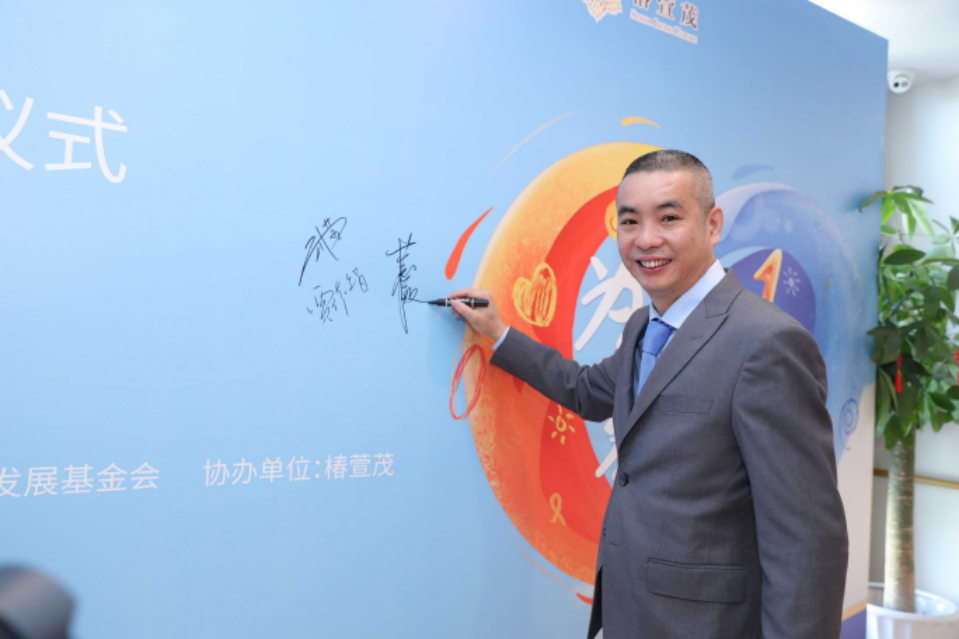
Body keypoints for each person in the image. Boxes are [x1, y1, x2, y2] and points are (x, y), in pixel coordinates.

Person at [449, 150, 848, 639]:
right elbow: (588, 390)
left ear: (713, 224)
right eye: (630, 221)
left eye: (669, 218)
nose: (646, 239)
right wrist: (500, 333)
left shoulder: (767, 343)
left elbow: (807, 539)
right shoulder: (644, 325)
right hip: (630, 613)